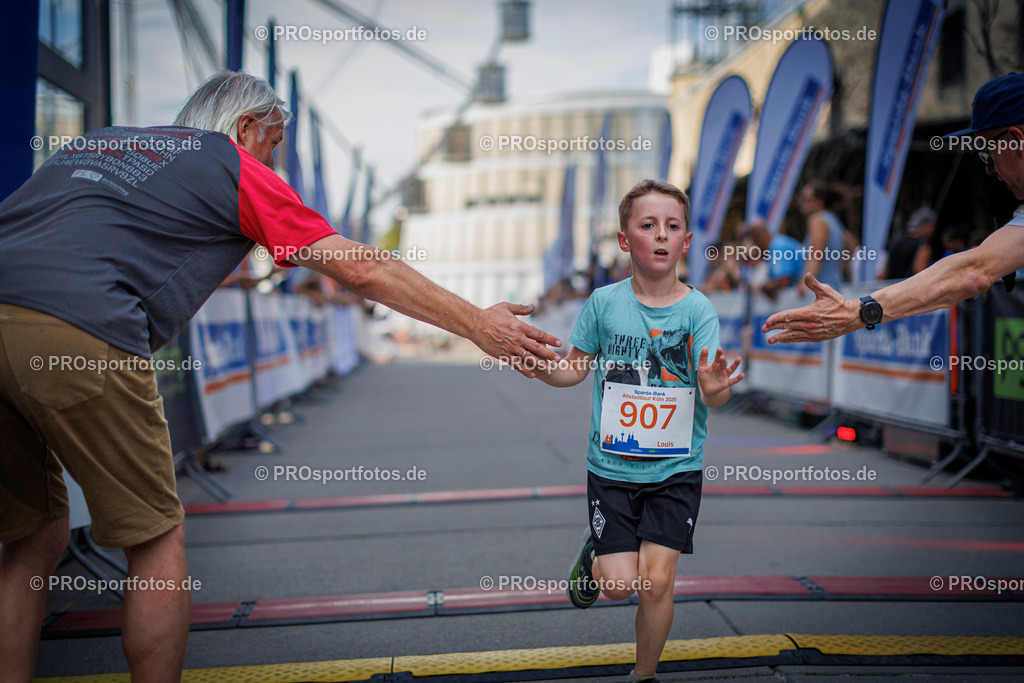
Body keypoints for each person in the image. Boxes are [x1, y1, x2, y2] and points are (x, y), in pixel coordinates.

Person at [0, 71, 560, 682]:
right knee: (155, 541)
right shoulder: (227, 162)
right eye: (274, 144)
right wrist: (480, 325)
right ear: (245, 129)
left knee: (32, 539)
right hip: (83, 324)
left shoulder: (100, 142)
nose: (275, 164)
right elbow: (363, 269)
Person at [534, 180, 742, 683]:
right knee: (620, 586)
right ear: (626, 240)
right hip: (612, 468)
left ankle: (642, 675)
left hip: (676, 469)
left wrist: (716, 387)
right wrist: (535, 366)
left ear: (687, 241)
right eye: (648, 226)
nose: (662, 236)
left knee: (657, 582)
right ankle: (598, 553)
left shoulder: (698, 311)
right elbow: (573, 369)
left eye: (672, 226)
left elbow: (714, 393)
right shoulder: (604, 304)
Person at [762, 72, 1024, 344]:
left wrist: (855, 311)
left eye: (986, 152)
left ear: (1015, 139)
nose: (989, 169)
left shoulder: (819, 221)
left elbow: (972, 272)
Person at [796, 182, 858, 292]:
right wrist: (838, 268)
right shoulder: (832, 220)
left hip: (820, 291)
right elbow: (852, 243)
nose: (802, 202)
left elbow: (816, 253)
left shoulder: (817, 220)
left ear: (819, 202)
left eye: (806, 199)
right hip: (833, 286)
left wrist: (804, 284)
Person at [742, 222, 803, 300]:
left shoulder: (778, 247)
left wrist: (762, 287)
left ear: (757, 238)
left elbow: (784, 281)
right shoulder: (773, 247)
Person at [885, 207, 935, 280]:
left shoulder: (895, 242)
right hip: (910, 289)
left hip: (890, 288)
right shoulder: (923, 248)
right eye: (932, 225)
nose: (933, 230)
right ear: (924, 224)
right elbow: (921, 275)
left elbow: (883, 273)